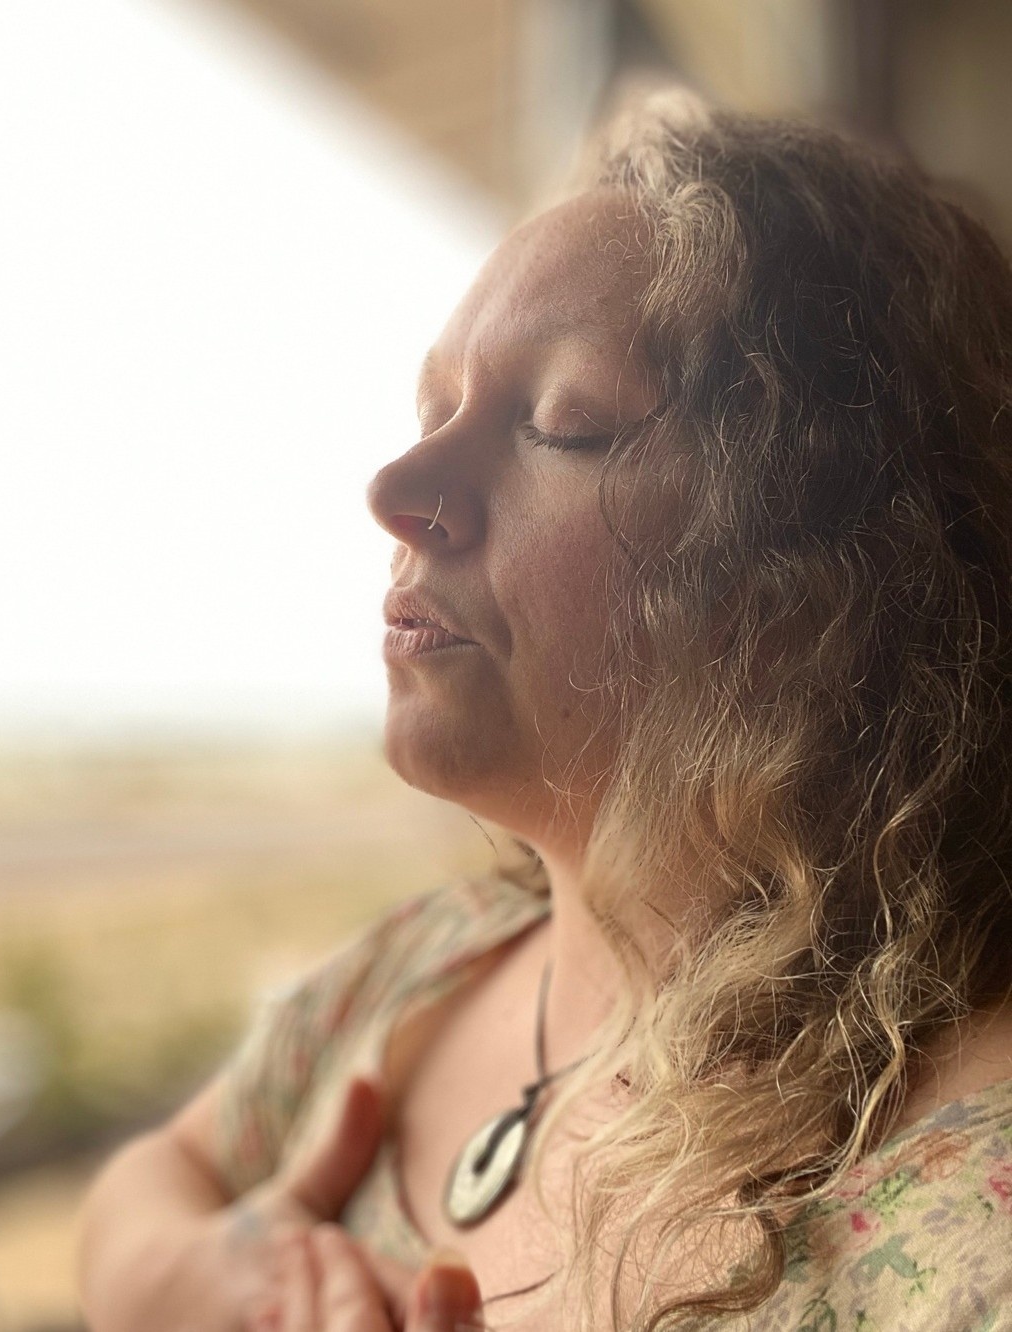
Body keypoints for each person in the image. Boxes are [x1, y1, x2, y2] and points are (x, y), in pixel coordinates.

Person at [77, 89, 1012, 1331]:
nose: (399, 486)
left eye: (562, 425)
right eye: (435, 412)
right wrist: (197, 1277)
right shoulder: (419, 975)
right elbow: (154, 1184)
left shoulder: (964, 1226)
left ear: (815, 581)